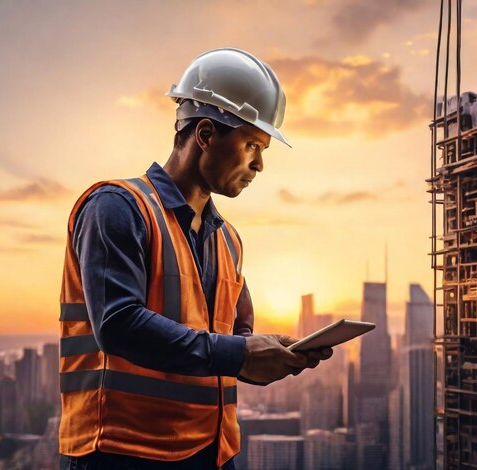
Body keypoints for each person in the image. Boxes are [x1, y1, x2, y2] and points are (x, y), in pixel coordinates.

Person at [58, 48, 332, 470]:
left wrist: (273, 352)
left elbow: (229, 341)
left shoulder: (228, 241)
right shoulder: (117, 207)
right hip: (122, 453)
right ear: (205, 134)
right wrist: (240, 354)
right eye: (252, 145)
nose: (259, 164)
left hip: (212, 452)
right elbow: (118, 324)